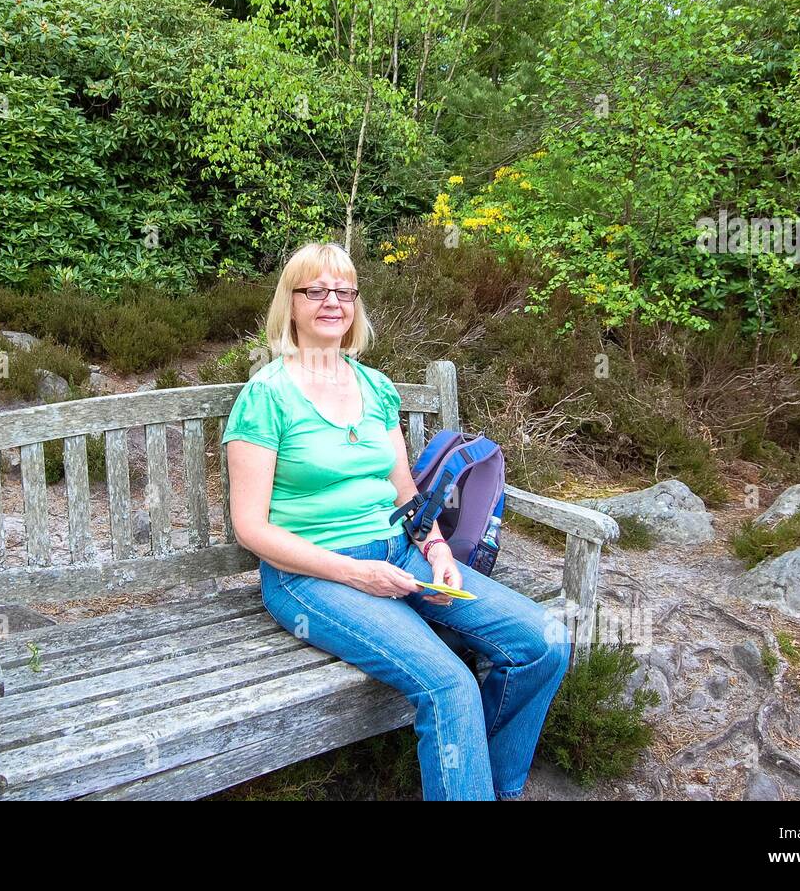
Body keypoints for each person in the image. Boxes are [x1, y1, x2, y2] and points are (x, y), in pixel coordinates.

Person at [221, 240, 572, 801]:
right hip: (311, 576)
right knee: (449, 684)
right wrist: (357, 575)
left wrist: (434, 549)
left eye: (344, 291)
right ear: (290, 304)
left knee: (545, 642)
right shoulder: (266, 397)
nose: (332, 301)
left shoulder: (375, 387)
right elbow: (252, 530)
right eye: (316, 290)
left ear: (356, 305)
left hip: (402, 557)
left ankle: (495, 787)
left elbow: (406, 495)